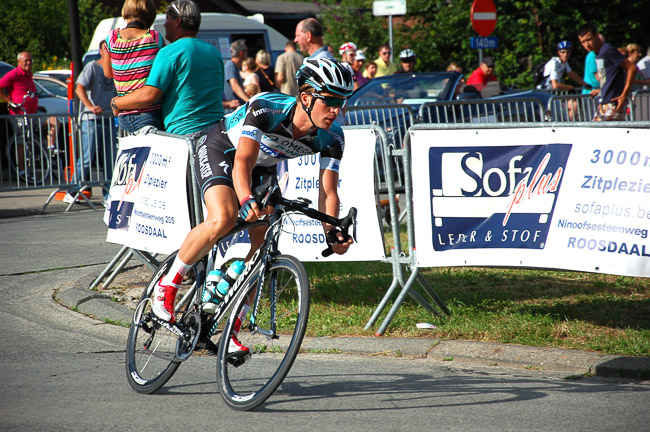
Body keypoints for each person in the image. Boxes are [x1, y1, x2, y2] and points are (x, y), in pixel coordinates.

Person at [151, 59, 355, 355]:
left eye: (343, 102)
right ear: (307, 97)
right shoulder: (267, 108)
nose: (338, 110)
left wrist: (331, 230)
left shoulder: (333, 137)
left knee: (260, 252)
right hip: (222, 148)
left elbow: (328, 191)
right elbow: (242, 163)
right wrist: (246, 199)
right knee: (224, 217)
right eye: (332, 101)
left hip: (263, 167)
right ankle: (167, 286)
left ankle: (229, 326)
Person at [111, 0, 224, 135]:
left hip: (186, 133)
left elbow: (149, 95)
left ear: (178, 22)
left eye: (167, 19)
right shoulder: (214, 52)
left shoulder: (170, 53)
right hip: (217, 132)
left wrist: (117, 102)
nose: (164, 24)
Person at [103, 0, 164, 134]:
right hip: (150, 112)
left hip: (123, 114)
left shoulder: (112, 38)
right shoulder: (155, 38)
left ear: (125, 13)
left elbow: (108, 73)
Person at [71, 40, 118, 203]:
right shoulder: (92, 66)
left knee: (110, 159)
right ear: (100, 50)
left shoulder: (115, 69)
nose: (109, 53)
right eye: (107, 49)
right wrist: (90, 106)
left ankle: (108, 195)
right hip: (91, 119)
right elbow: (79, 87)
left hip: (108, 118)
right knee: (86, 156)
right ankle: (73, 189)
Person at [577, 24, 636, 121]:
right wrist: (602, 90)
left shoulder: (607, 50)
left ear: (597, 35)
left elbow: (632, 68)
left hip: (613, 103)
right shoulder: (597, 53)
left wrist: (624, 95)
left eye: (589, 40)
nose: (586, 45)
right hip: (604, 102)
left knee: (600, 134)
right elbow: (610, 76)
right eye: (583, 42)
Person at [0, 51, 41, 177]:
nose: (29, 63)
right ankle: (22, 169)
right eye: (26, 61)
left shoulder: (29, 75)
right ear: (19, 62)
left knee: (53, 122)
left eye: (30, 60)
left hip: (32, 114)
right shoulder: (14, 74)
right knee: (21, 141)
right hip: (19, 114)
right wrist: (9, 101)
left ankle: (51, 148)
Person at [223, 39, 249, 113]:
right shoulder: (230, 65)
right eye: (246, 51)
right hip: (233, 112)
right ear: (241, 53)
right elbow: (235, 87)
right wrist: (250, 101)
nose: (247, 53)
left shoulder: (234, 67)